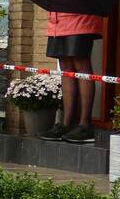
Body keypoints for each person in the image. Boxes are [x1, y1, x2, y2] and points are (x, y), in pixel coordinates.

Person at [39, 12, 103, 143]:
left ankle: (85, 125)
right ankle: (66, 124)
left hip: (79, 17)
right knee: (65, 66)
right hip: (57, 21)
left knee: (81, 64)